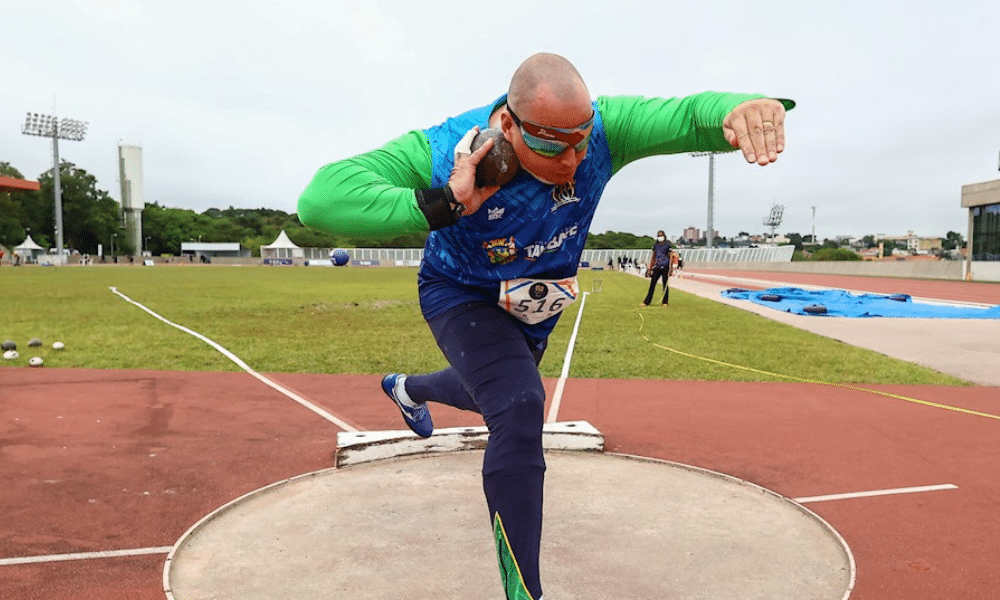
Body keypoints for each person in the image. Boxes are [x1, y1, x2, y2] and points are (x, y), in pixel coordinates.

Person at [298, 52, 792, 600]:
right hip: (462, 292)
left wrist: (740, 109)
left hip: (537, 300)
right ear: (507, 125)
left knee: (491, 391)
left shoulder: (605, 130)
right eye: (554, 145)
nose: (573, 161)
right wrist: (445, 202)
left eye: (582, 140)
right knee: (518, 404)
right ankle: (524, 593)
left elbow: (687, 115)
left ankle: (408, 388)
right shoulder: (443, 151)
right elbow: (321, 199)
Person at [642, 230, 673, 307]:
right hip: (657, 267)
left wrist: (671, 268)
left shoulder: (668, 245)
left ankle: (665, 302)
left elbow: (671, 257)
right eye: (658, 236)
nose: (660, 237)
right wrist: (650, 268)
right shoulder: (655, 246)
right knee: (652, 285)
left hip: (665, 267)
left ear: (664, 236)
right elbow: (653, 257)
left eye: (661, 235)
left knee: (665, 285)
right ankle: (647, 302)